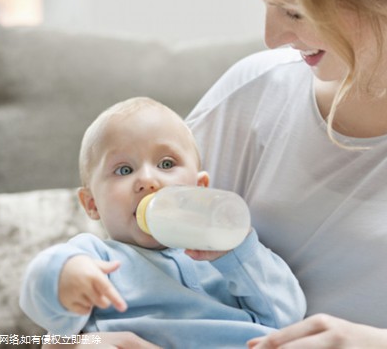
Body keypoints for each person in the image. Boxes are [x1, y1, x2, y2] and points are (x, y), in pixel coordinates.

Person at [46, 0, 387, 348]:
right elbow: (104, 288)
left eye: (295, 12)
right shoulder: (255, 94)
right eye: (267, 4)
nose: (272, 36)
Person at [19, 97, 306, 348]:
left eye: (166, 164)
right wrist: (64, 275)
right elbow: (47, 309)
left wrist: (238, 251)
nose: (147, 180)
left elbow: (286, 316)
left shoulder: (229, 258)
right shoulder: (97, 258)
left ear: (200, 188)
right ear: (92, 204)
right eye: (124, 169)